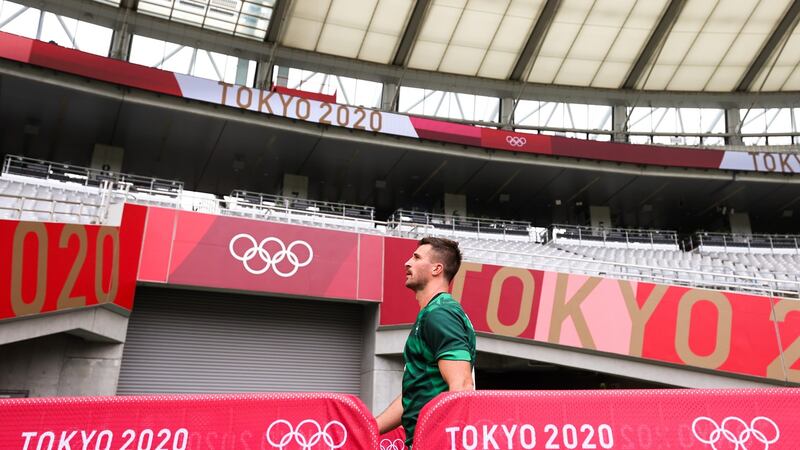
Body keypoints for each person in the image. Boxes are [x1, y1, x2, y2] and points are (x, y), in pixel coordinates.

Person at [376, 237, 476, 448]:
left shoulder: (441, 313)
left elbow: (462, 386)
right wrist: (370, 428)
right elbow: (414, 395)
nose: (407, 262)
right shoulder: (432, 313)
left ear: (436, 269)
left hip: (434, 442)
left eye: (416, 257)